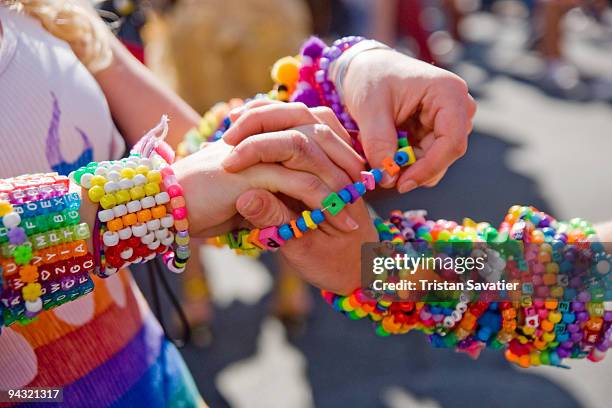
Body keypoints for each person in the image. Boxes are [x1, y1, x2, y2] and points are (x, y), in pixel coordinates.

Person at [0, 1, 475, 406]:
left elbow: (540, 277)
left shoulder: (47, 15)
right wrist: (158, 200)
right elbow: (537, 278)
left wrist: (379, 266)